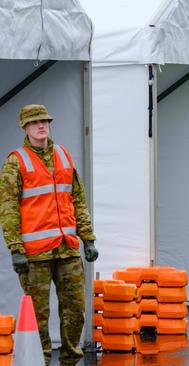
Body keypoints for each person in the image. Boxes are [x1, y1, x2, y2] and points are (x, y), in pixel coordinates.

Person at [0, 104, 98, 366]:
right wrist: (16, 249)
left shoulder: (63, 156)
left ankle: (68, 361)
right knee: (38, 317)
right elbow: (8, 208)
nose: (41, 126)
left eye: (44, 121)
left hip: (67, 250)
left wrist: (87, 238)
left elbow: (77, 199)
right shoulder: (15, 162)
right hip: (35, 256)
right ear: (25, 128)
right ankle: (40, 362)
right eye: (34, 123)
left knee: (75, 312)